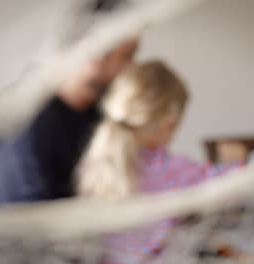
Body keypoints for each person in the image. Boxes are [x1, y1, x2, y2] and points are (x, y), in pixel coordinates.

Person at [77, 60, 240, 264]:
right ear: (168, 124)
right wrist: (234, 161)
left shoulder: (94, 161)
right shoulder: (167, 168)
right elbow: (229, 189)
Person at [0, 38, 139, 204]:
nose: (133, 67)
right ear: (96, 57)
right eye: (127, 56)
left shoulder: (100, 111)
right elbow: (27, 222)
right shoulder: (22, 122)